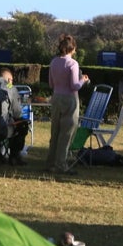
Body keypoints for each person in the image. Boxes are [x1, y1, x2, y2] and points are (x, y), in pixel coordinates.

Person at [46, 33, 88, 174]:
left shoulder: (53, 62)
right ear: (72, 48)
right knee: (67, 132)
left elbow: (51, 83)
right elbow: (74, 85)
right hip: (70, 99)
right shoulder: (73, 64)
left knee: (55, 131)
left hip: (56, 97)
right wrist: (84, 80)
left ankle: (50, 162)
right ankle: (61, 164)